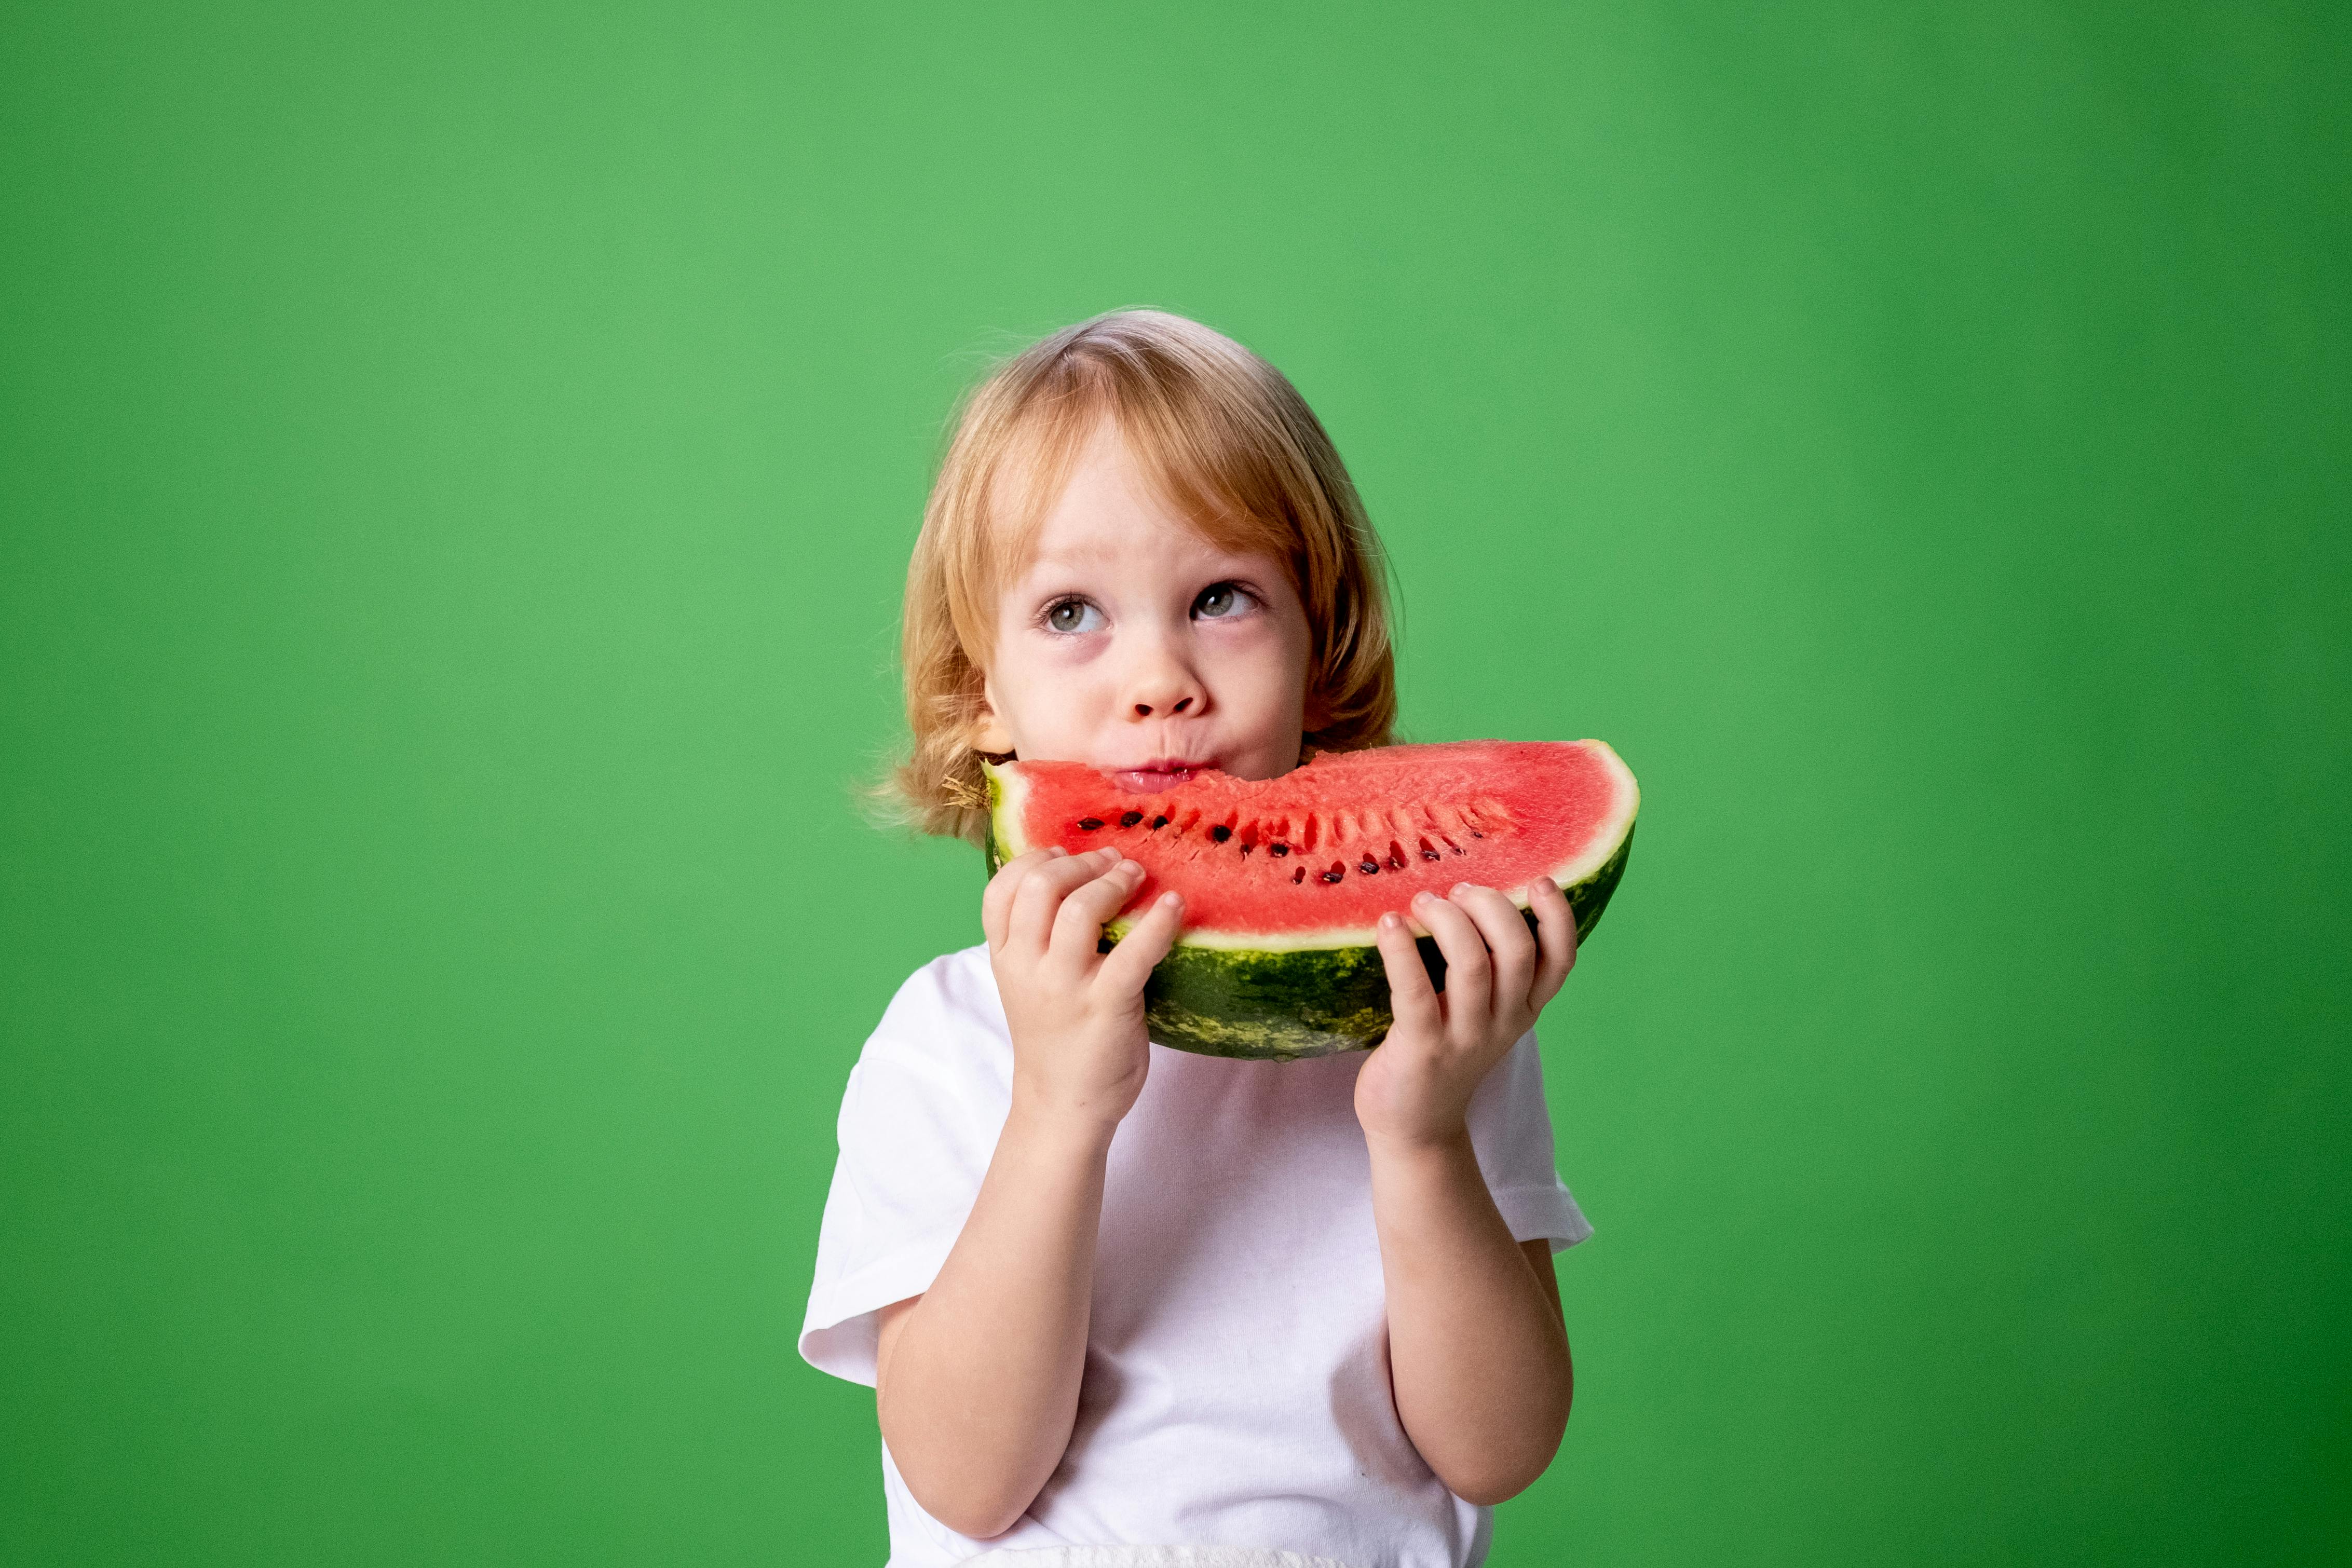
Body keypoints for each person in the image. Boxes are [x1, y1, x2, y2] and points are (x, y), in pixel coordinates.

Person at [800, 310, 1590, 1568]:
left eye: (1221, 597)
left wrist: (1422, 1130)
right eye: (1072, 612)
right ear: (978, 697)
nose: (1159, 676)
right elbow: (963, 1478)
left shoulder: (1437, 1019)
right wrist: (1056, 1108)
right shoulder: (946, 1041)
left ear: (1319, 653)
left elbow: (1496, 1447)